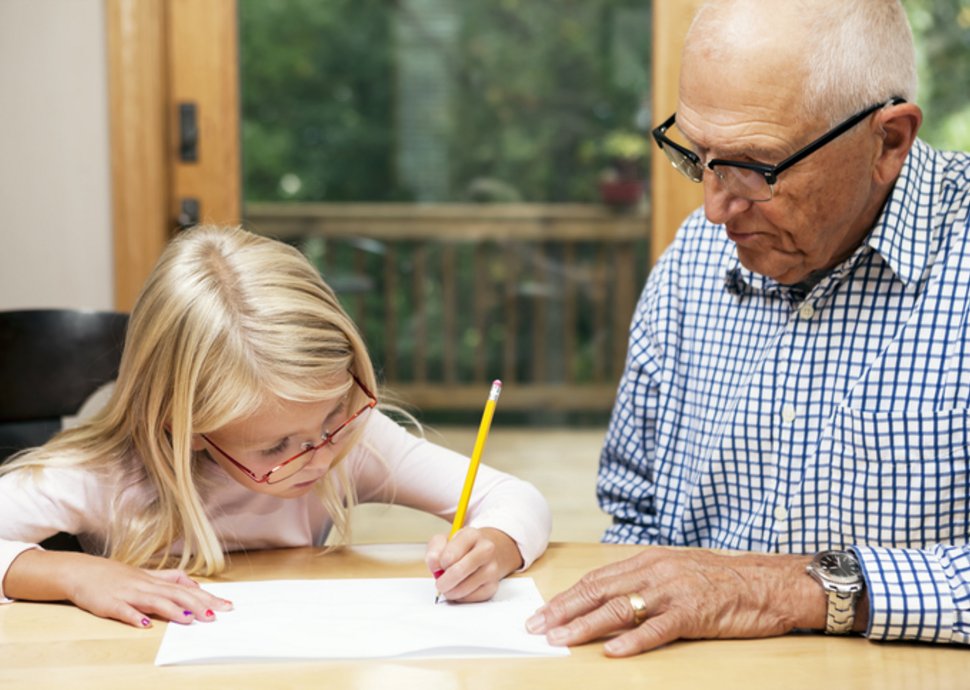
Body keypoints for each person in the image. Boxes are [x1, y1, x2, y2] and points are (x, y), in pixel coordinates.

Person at [526, 0, 969, 656]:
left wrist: (796, 589)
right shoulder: (693, 262)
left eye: (755, 168)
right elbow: (634, 512)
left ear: (890, 141)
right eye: (698, 155)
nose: (711, 209)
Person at [0, 225, 551, 628]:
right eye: (276, 447)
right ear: (184, 424)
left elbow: (513, 496)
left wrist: (496, 546)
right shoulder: (105, 476)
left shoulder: (351, 444)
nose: (317, 455)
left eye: (335, 414)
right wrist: (74, 575)